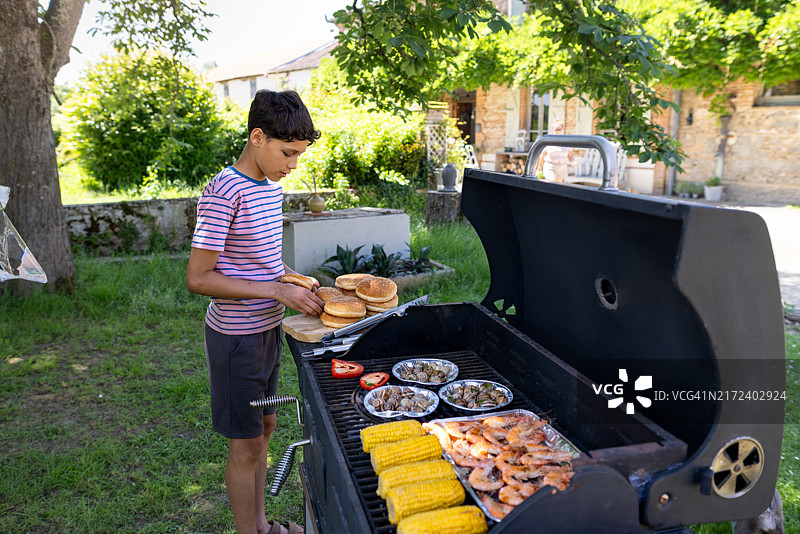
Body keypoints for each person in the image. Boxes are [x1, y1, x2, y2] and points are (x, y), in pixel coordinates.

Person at [186, 89, 323, 534]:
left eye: (299, 155)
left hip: (266, 331)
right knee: (245, 445)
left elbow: (263, 261)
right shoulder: (224, 190)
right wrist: (275, 292)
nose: (292, 164)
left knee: (265, 428)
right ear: (257, 137)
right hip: (235, 339)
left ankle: (261, 526)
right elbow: (199, 279)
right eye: (287, 153)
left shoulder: (268, 187)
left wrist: (293, 278)